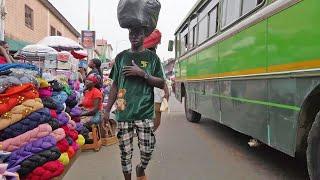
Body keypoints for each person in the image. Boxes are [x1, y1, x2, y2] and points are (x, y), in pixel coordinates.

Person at [104, 26, 165, 180]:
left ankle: (141, 167)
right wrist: (107, 110)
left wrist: (142, 73)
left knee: (147, 150)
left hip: (144, 111)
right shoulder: (121, 57)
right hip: (123, 111)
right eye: (131, 32)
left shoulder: (152, 58)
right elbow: (115, 85)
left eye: (137, 32)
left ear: (144, 35)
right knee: (125, 153)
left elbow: (161, 82)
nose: (134, 36)